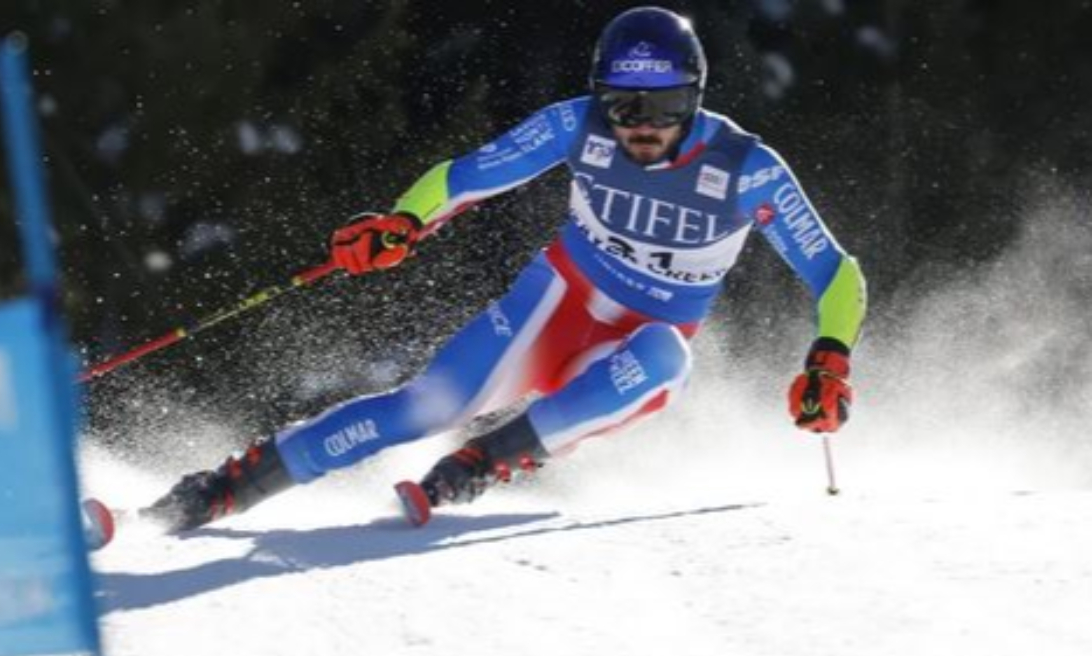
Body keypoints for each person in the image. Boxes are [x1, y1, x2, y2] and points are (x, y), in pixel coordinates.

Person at [143, 6, 867, 530]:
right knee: (422, 408)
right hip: (554, 304)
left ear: (697, 98)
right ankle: (224, 488)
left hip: (637, 344)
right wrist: (402, 222)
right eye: (622, 105)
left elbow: (837, 275)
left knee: (666, 360)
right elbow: (464, 177)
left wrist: (829, 359)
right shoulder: (574, 124)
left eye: (665, 105)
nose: (641, 124)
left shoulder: (746, 167)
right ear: (600, 97)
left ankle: (487, 461)